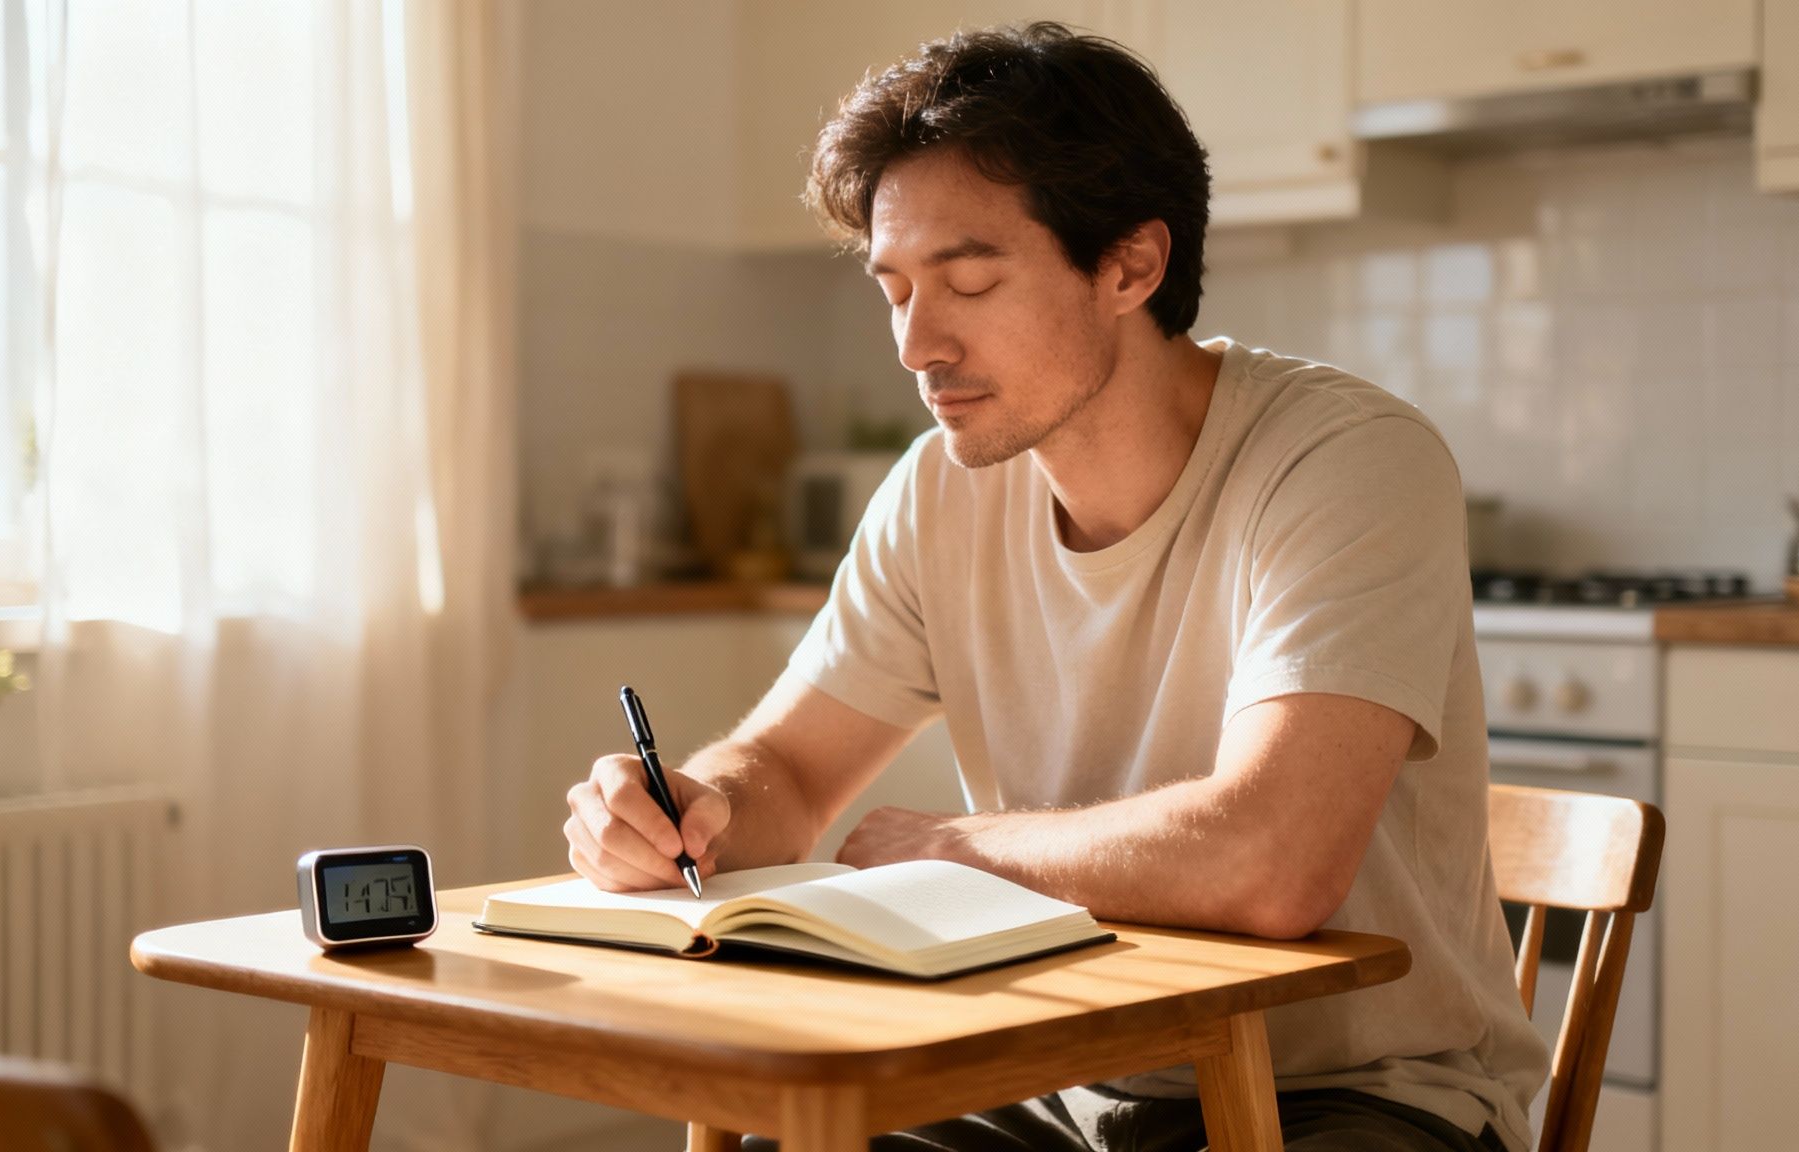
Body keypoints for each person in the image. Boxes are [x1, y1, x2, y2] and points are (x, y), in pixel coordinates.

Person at [563, 21, 1547, 1152]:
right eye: (892, 290)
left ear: (1130, 265)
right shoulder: (938, 487)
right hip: (1054, 1073)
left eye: (968, 281)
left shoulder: (1344, 460)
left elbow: (1272, 864)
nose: (913, 344)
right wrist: (690, 806)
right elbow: (787, 768)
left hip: (1351, 1094)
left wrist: (955, 849)